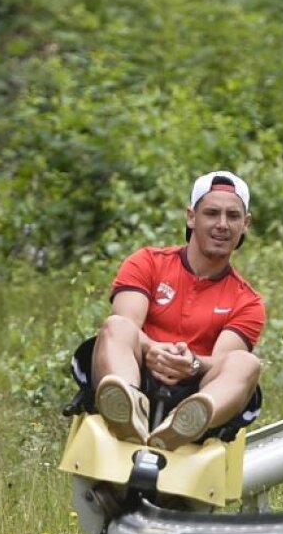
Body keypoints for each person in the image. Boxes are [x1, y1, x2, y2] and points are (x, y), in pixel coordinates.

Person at [80, 170, 265, 450]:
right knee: (116, 327)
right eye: (212, 213)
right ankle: (128, 410)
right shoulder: (146, 263)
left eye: (233, 216)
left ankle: (183, 423)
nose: (223, 225)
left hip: (196, 389)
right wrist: (155, 350)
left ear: (245, 224)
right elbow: (126, 323)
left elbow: (224, 361)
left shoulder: (247, 301)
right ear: (192, 217)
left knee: (248, 363)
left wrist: (191, 364)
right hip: (137, 372)